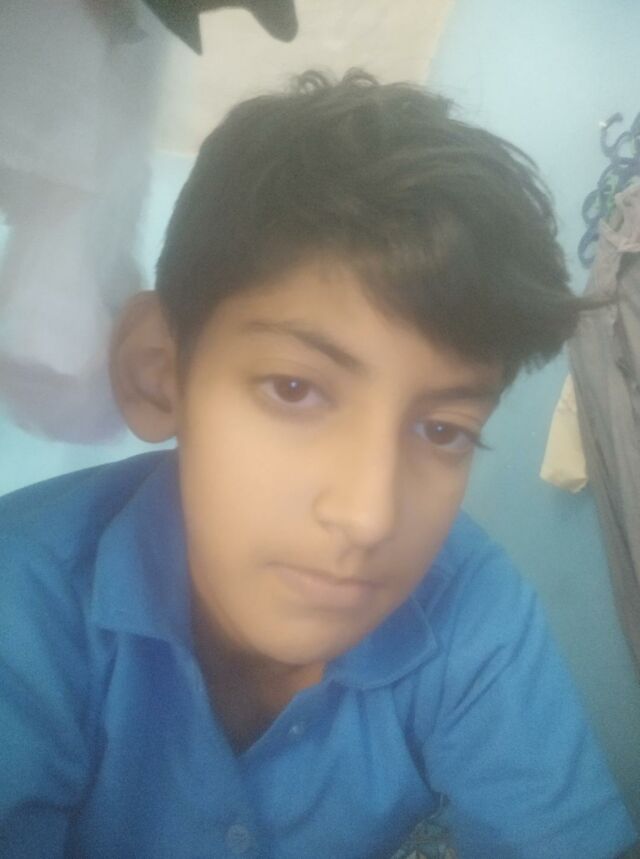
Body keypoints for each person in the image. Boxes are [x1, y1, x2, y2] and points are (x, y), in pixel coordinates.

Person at [0, 70, 636, 859]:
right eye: (295, 389)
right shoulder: (25, 605)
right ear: (158, 372)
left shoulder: (471, 608)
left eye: (442, 429)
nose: (368, 517)